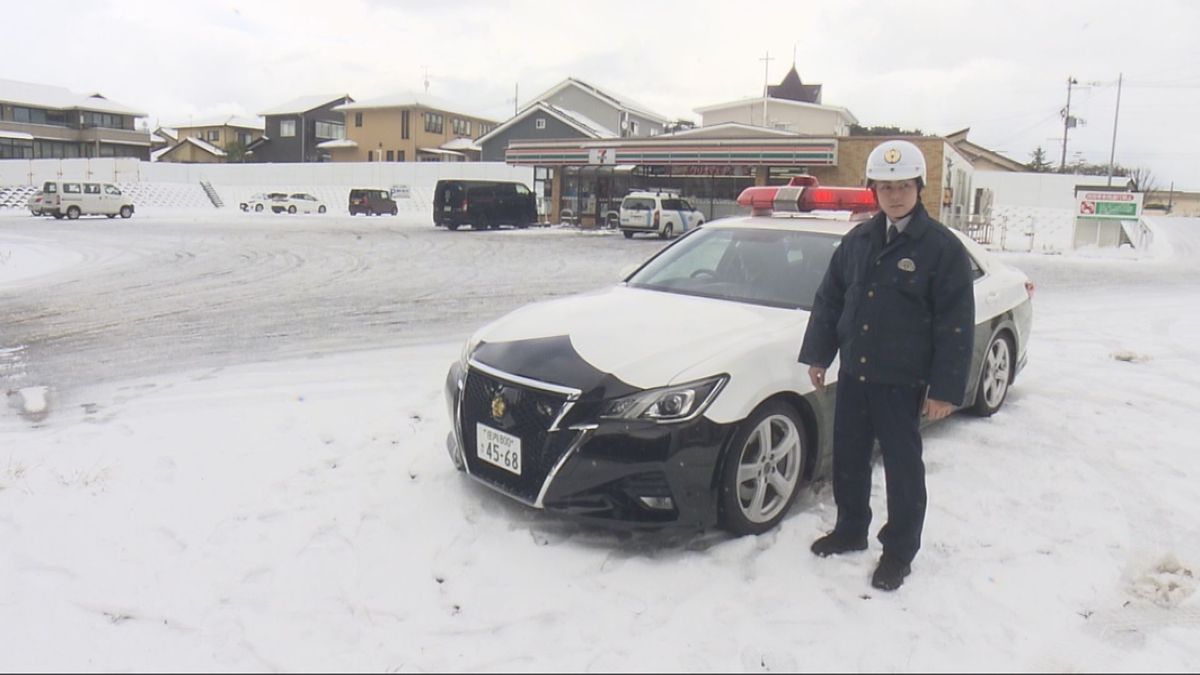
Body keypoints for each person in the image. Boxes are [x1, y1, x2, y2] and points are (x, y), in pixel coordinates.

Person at [798, 139, 975, 591]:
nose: (894, 195)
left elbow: (955, 322)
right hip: (856, 372)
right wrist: (819, 354)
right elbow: (830, 299)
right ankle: (851, 529)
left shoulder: (940, 248)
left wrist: (944, 389)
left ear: (919, 187)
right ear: (873, 190)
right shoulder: (858, 240)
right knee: (850, 460)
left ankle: (899, 550)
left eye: (903, 186)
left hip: (903, 379)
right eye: (884, 187)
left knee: (902, 468)